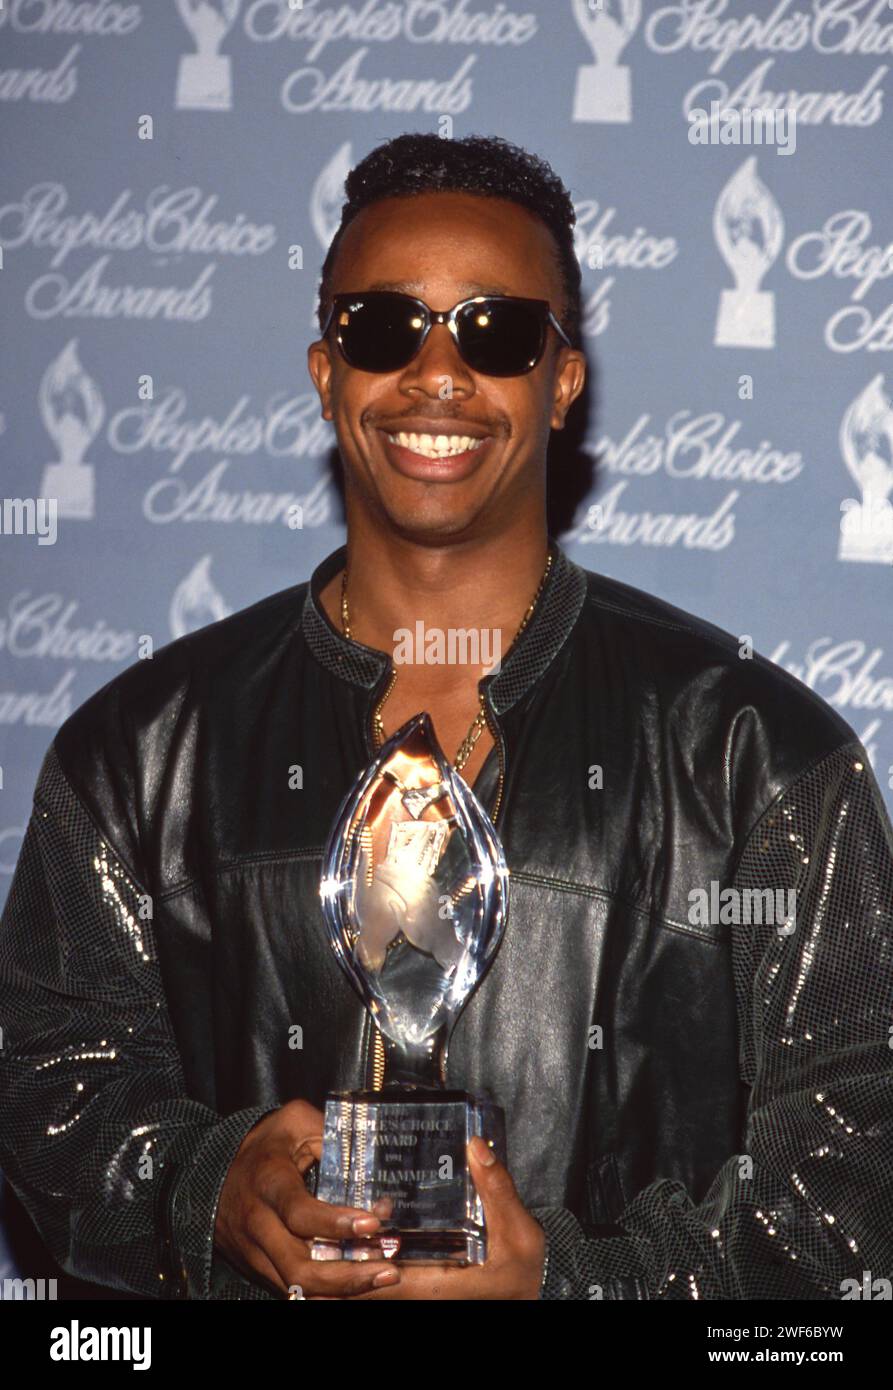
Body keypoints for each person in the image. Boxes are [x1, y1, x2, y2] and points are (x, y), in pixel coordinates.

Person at [1, 133, 891, 1302]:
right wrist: (204, 1185)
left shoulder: (752, 754)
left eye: (495, 330)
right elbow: (48, 1089)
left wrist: (576, 1288)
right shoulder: (140, 751)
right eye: (382, 326)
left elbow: (854, 1173)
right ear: (326, 369)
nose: (435, 372)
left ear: (559, 380)